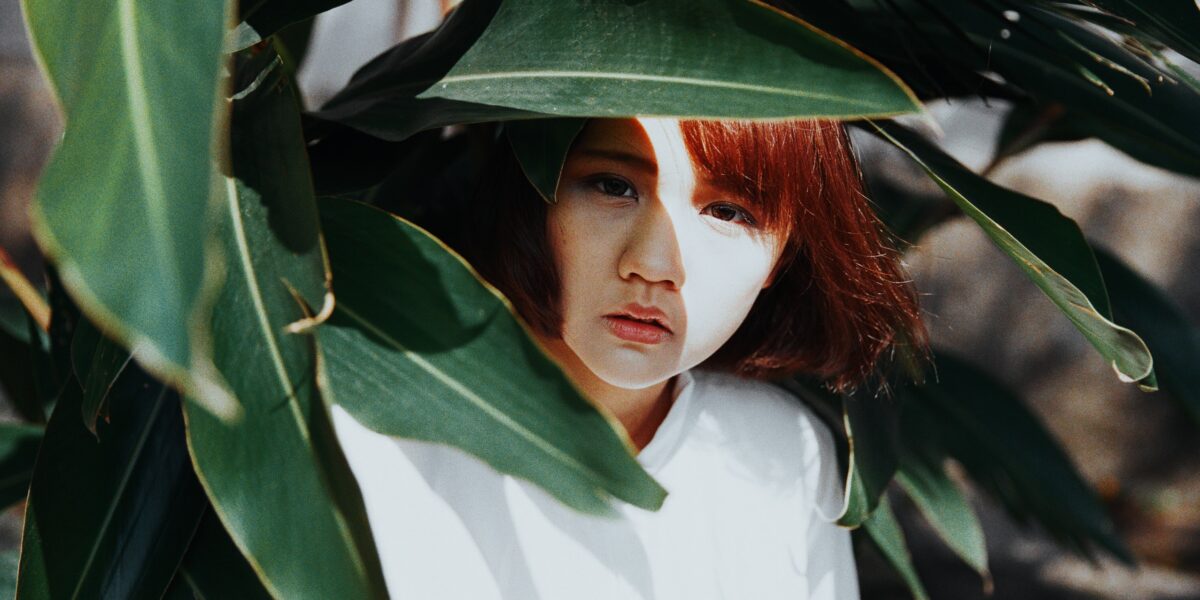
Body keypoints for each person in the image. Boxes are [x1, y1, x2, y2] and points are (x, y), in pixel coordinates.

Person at [332, 116, 926, 599]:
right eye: (613, 186)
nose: (654, 264)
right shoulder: (365, 432)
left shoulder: (782, 455)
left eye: (727, 212)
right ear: (534, 191)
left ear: (783, 257)